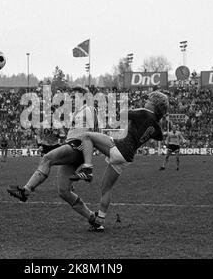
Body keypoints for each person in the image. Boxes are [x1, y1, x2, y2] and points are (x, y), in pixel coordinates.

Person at [7, 86, 103, 231]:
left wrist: (89, 150)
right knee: (63, 191)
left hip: (77, 146)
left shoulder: (89, 109)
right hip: (75, 148)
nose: (71, 98)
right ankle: (93, 219)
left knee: (47, 158)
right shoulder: (78, 111)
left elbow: (95, 132)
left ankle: (26, 191)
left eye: (74, 95)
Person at [70, 91, 169, 229]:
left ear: (153, 105)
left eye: (148, 100)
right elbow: (159, 137)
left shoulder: (144, 113)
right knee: (106, 188)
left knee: (87, 136)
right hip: (126, 158)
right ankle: (100, 221)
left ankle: (87, 168)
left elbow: (123, 113)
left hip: (120, 148)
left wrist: (135, 109)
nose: (146, 101)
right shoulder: (155, 125)